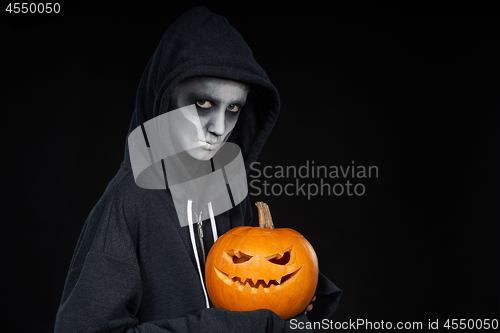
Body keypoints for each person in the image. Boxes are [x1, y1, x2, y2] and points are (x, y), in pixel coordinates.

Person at [54, 6, 342, 332]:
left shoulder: (230, 192)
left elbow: (254, 287)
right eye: (203, 103)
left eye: (233, 108)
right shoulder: (130, 203)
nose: (219, 128)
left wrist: (302, 292)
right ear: (164, 98)